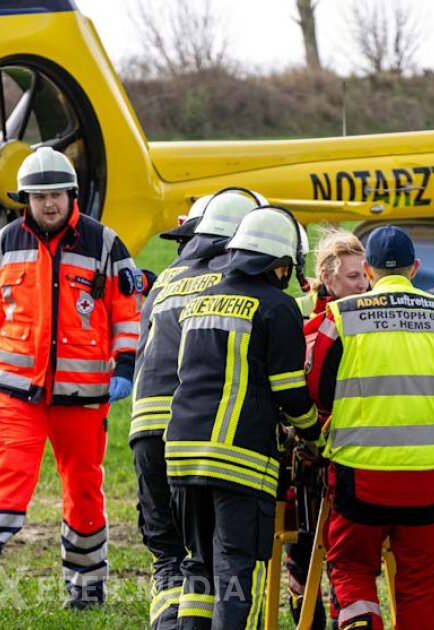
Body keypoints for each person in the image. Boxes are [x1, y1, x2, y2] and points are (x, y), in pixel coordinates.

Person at [0, 146, 142, 611]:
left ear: (71, 194)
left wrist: (125, 364)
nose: (49, 204)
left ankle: (86, 588)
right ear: (25, 200)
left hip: (84, 397)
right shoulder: (2, 244)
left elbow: (126, 312)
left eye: (56, 194)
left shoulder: (105, 244)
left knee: (83, 489)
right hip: (16, 392)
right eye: (38, 197)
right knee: (5, 477)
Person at [307, 225, 434, 630]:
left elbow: (317, 390)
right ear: (415, 268)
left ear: (368, 268)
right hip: (432, 478)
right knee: (422, 586)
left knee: (350, 567)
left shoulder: (340, 316)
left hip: (359, 474)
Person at [165, 205, 320, 630]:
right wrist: (313, 434)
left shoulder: (199, 299)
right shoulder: (277, 305)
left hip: (180, 454)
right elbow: (289, 390)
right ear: (282, 265)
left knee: (199, 567)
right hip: (238, 459)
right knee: (236, 568)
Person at [130, 189, 266, 630]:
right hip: (193, 431)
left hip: (144, 432)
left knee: (169, 556)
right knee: (209, 555)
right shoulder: (230, 280)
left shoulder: (168, 277)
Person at [285, 227, 367, 630]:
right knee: (302, 548)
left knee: (344, 547)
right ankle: (307, 619)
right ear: (328, 276)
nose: (363, 284)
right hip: (302, 445)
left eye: (365, 275)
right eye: (354, 277)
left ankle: (343, 618)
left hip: (350, 446)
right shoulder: (298, 310)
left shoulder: (367, 314)